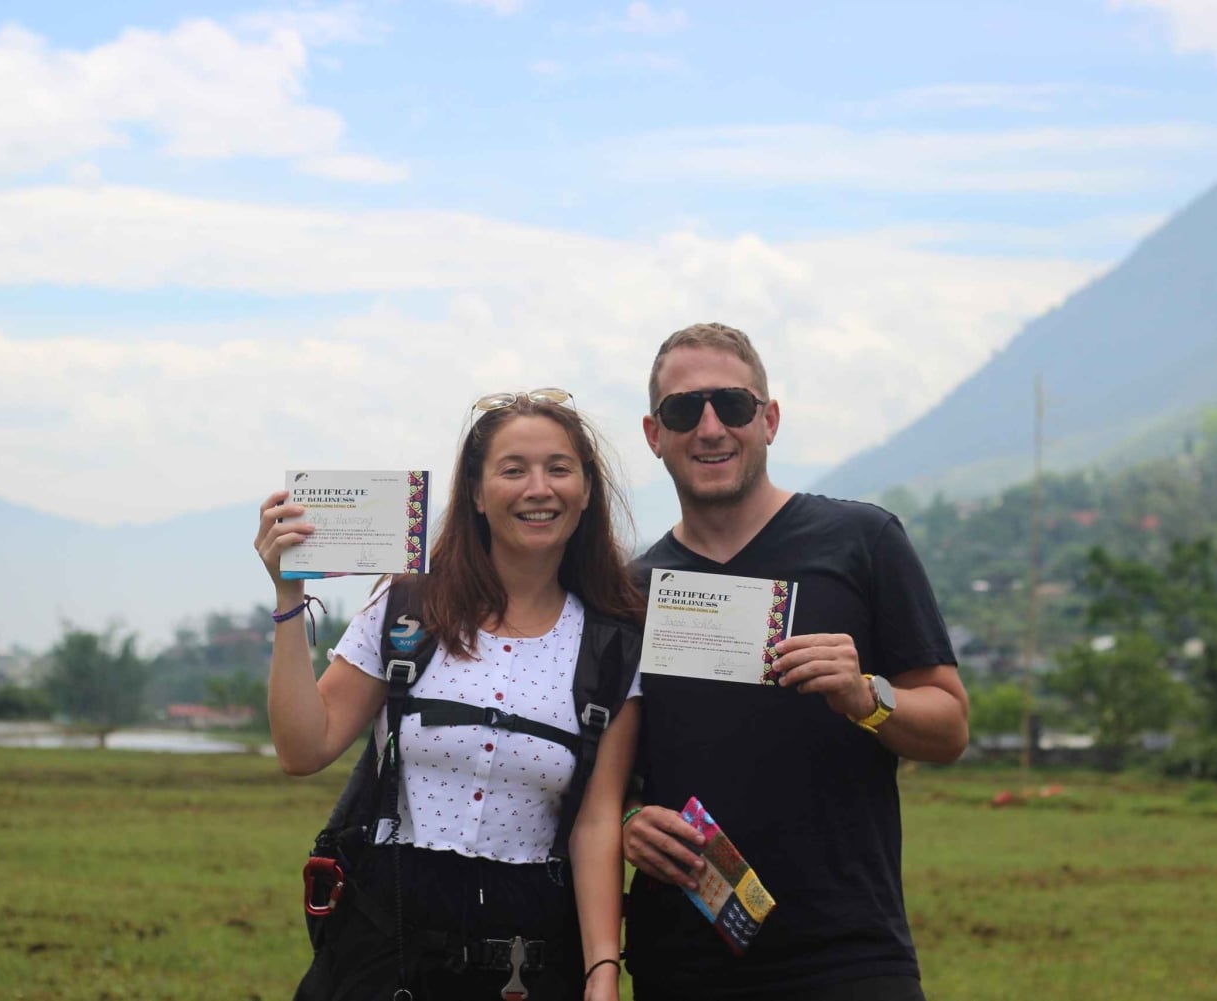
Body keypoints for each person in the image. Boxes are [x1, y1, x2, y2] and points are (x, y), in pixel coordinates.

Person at [254, 389, 644, 1001]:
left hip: (530, 957)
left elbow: (596, 821)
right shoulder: (408, 607)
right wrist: (286, 597)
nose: (538, 488)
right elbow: (302, 749)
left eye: (559, 468)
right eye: (513, 469)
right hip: (388, 946)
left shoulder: (614, 647)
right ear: (476, 492)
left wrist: (601, 972)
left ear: (587, 490)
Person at [621, 323, 970, 1001]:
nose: (711, 427)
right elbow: (613, 776)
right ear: (654, 433)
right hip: (684, 961)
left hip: (849, 956)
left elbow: (951, 725)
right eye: (684, 410)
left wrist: (869, 695)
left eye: (735, 405)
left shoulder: (863, 542)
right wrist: (634, 823)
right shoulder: (630, 593)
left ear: (770, 419)